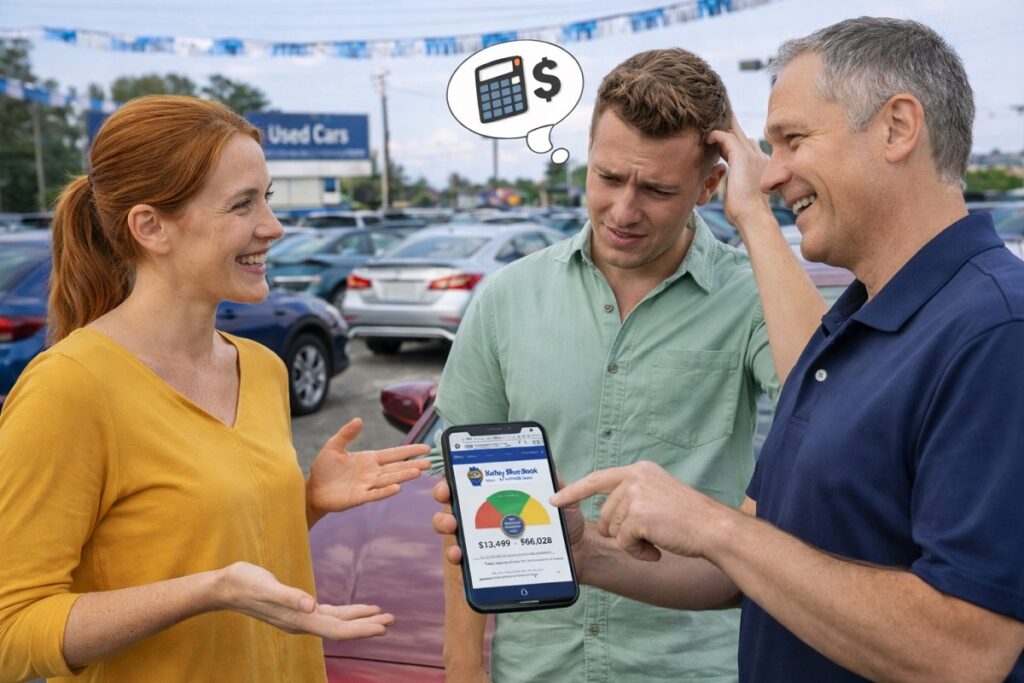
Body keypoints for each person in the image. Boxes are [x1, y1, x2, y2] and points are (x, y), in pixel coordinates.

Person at [538, 16, 1024, 681]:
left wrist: (713, 525)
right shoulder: (851, 328)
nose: (769, 176)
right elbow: (755, 568)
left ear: (897, 127)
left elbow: (965, 653)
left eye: (792, 140)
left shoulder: (998, 330)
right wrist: (584, 553)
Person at [0, 95, 430, 683]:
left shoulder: (260, 367)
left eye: (268, 198)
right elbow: (13, 632)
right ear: (151, 227)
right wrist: (209, 590)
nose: (273, 227)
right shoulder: (69, 388)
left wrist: (300, 504)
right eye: (241, 205)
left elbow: (202, 544)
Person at [432, 49, 822, 682]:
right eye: (608, 177)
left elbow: (827, 405)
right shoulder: (507, 299)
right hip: (537, 666)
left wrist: (756, 217)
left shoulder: (753, 297)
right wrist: (462, 668)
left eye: (658, 190)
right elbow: (458, 506)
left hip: (691, 665)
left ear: (708, 186)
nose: (623, 210)